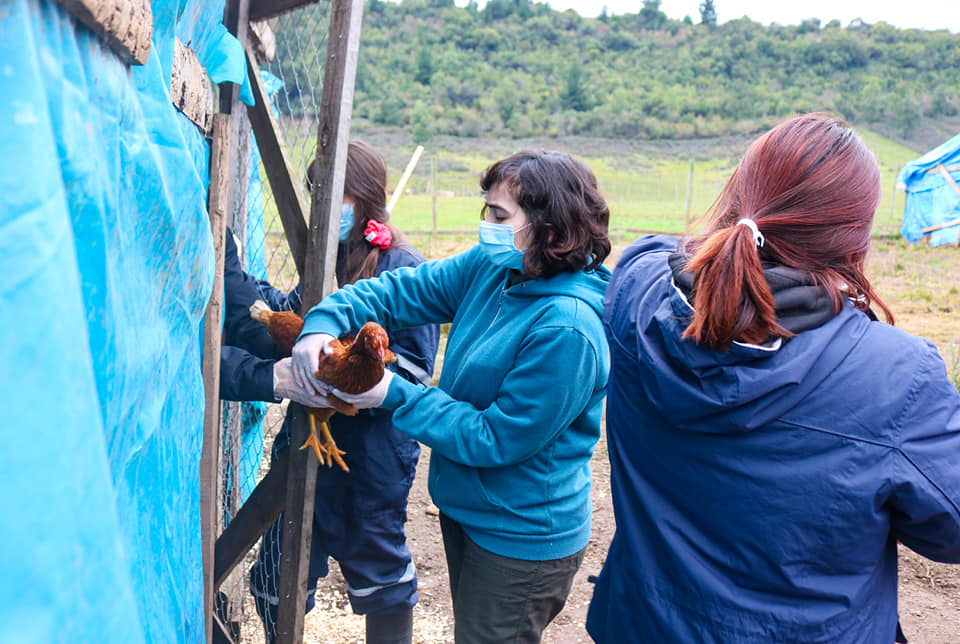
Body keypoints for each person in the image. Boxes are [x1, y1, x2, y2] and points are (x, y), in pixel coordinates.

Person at [586, 113, 960, 643]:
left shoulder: (636, 287)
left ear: (737, 194)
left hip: (643, 625)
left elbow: (674, 251)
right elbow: (951, 531)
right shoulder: (896, 375)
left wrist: (737, 236)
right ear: (855, 235)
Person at [290, 150, 612, 643]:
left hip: (520, 538)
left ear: (553, 231)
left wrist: (392, 394)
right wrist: (322, 323)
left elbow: (495, 438)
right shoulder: (494, 269)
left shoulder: (568, 330)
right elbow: (395, 292)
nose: (487, 225)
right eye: (488, 210)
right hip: (471, 510)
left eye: (500, 215)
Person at [248, 140, 439, 644]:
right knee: (276, 573)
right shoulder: (322, 260)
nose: (322, 205)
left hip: (371, 457)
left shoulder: (403, 268)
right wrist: (254, 300)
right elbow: (292, 313)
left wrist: (363, 385)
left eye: (334, 194)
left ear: (365, 197)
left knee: (382, 577)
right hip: (305, 442)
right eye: (315, 191)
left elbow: (417, 370)